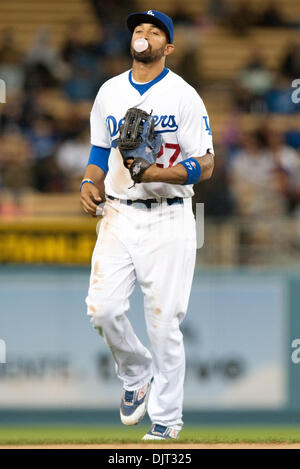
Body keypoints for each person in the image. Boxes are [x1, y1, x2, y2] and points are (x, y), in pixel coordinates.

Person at [80, 10, 214, 440]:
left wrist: (157, 173)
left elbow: (206, 163)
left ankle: (166, 421)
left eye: (154, 31)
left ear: (167, 47)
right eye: (139, 29)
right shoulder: (109, 92)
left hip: (170, 215)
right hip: (118, 212)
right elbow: (100, 151)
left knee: (163, 323)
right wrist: (89, 180)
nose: (144, 35)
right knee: (102, 309)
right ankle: (136, 374)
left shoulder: (184, 96)